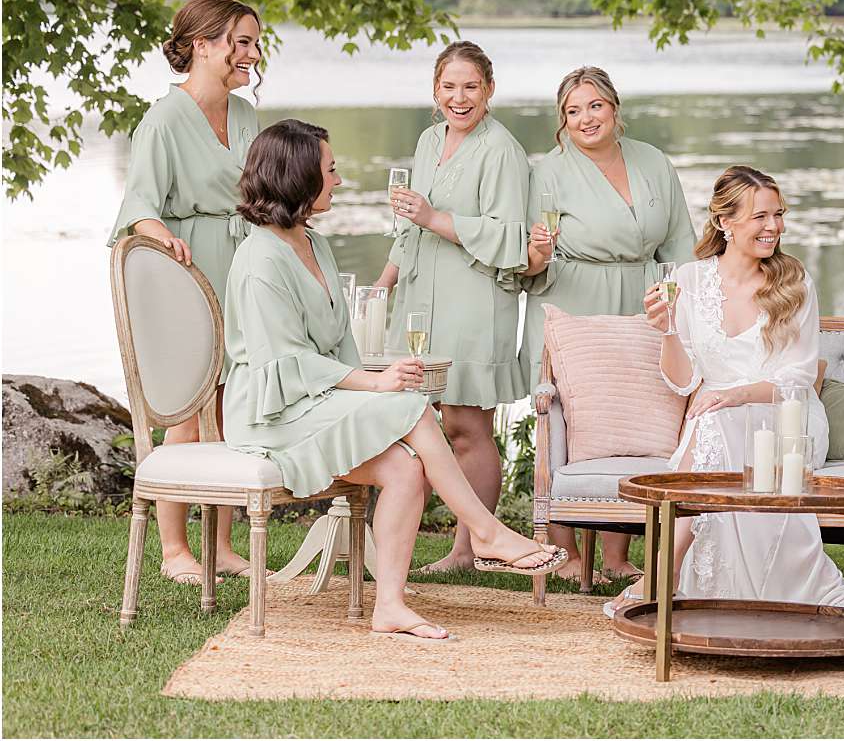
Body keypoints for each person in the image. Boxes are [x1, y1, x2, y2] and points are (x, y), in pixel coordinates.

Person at [222, 120, 567, 641]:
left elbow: (338, 346)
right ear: (297, 178)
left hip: (312, 403)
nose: (338, 180)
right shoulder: (259, 260)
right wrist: (375, 385)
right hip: (271, 414)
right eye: (330, 170)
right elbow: (283, 363)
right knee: (410, 408)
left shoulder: (314, 245)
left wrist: (378, 376)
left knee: (406, 468)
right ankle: (487, 531)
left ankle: (389, 605)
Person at [606, 165, 844, 614]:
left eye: (778, 214)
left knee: (715, 419)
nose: (774, 227)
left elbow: (797, 379)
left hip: (785, 420)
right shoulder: (687, 279)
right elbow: (683, 381)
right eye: (761, 216)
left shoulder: (794, 282)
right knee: (714, 422)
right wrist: (666, 330)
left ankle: (660, 575)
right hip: (714, 415)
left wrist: (739, 396)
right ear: (725, 222)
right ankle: (667, 574)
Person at [519, 67, 696, 584]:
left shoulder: (653, 161)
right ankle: (567, 551)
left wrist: (677, 303)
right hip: (574, 299)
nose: (585, 119)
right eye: (572, 112)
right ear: (562, 121)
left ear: (614, 109)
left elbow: (681, 244)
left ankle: (618, 554)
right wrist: (536, 254)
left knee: (636, 420)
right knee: (569, 419)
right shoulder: (547, 173)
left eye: (594, 106)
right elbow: (531, 261)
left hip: (642, 301)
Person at [109, 0, 263, 586]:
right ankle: (174, 548)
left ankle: (221, 546)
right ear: (201, 44)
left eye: (253, 42)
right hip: (191, 273)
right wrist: (168, 246)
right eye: (239, 42)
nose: (249, 54)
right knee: (187, 413)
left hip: (244, 266)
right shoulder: (164, 120)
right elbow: (139, 206)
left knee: (230, 408)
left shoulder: (246, 115)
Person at [373, 41, 532, 575]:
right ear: (434, 91)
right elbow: (409, 223)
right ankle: (433, 540)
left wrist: (435, 216)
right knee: (415, 416)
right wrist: (385, 281)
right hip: (421, 298)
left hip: (474, 300)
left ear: (489, 89)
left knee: (467, 424)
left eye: (470, 87)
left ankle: (470, 549)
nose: (459, 98)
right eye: (449, 87)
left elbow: (510, 238)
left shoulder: (503, 151)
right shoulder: (427, 139)